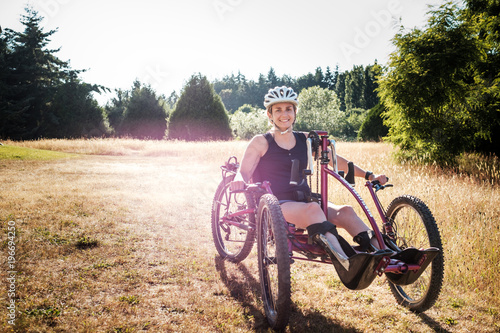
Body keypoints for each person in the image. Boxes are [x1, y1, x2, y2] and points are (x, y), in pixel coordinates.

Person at [230, 86, 393, 288]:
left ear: (295, 112)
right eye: (278, 110)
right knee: (314, 209)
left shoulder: (305, 139)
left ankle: (389, 256)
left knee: (346, 211)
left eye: (288, 109)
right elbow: (244, 171)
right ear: (269, 114)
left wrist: (368, 175)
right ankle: (346, 262)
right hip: (275, 203)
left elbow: (335, 161)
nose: (284, 114)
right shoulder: (261, 142)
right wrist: (238, 179)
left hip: (304, 201)